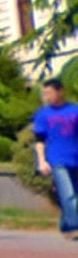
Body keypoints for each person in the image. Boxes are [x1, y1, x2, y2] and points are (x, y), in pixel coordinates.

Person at [33, 78, 78, 239]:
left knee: (74, 195)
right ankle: (74, 227)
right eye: (44, 93)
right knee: (68, 194)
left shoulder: (74, 110)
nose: (47, 96)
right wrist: (42, 161)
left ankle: (66, 223)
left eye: (49, 93)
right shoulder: (43, 114)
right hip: (57, 159)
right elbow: (39, 140)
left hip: (75, 158)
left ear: (60, 91)